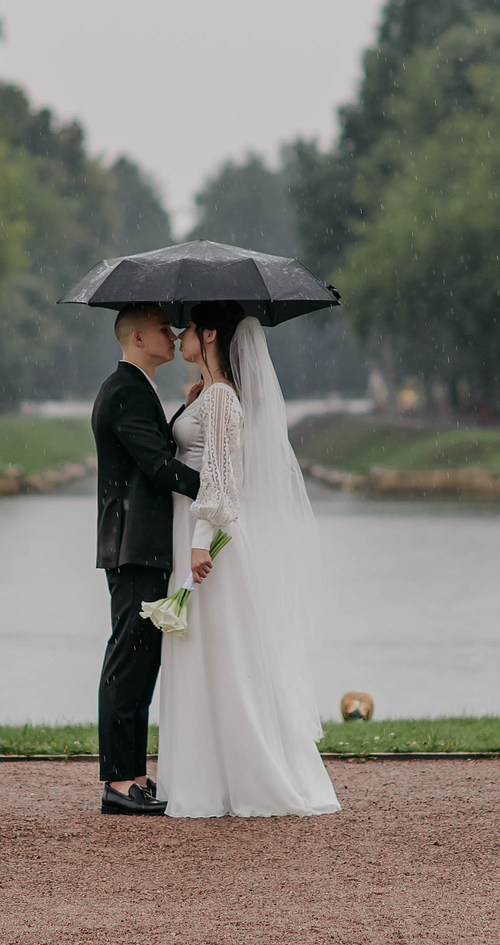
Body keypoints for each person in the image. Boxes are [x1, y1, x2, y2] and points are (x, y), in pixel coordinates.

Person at [155, 301, 340, 818]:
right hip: (196, 535)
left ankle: (235, 775)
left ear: (209, 334)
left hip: (207, 543)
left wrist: (198, 541)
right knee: (209, 655)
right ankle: (208, 775)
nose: (181, 334)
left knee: (224, 655)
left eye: (188, 328)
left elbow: (220, 482)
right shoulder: (208, 396)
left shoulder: (220, 400)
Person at [89, 303, 202, 815]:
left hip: (142, 545)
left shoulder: (135, 389)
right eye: (163, 329)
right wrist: (218, 486)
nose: (174, 334)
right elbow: (158, 466)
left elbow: (154, 450)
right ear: (138, 337)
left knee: (141, 665)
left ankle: (135, 775)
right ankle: (118, 782)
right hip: (134, 547)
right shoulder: (126, 391)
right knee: (128, 665)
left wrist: (184, 414)